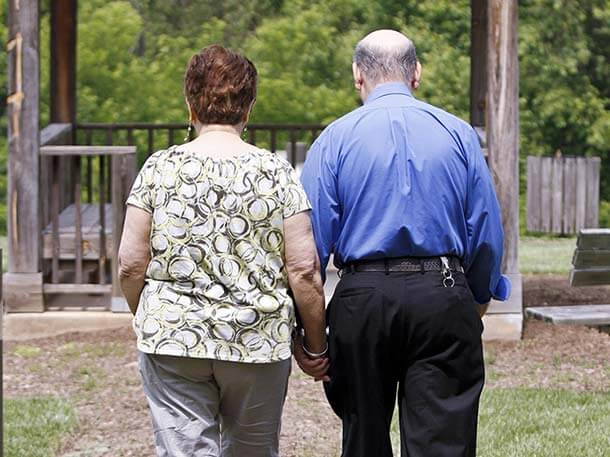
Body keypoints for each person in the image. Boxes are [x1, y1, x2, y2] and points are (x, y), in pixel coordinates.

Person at [299, 30, 511, 457]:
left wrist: (311, 334)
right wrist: (478, 300)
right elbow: (486, 230)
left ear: (357, 75)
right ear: (417, 73)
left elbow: (309, 250)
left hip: (363, 297)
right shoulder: (459, 134)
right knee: (443, 444)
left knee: (363, 439)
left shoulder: (334, 140)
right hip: (442, 291)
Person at [118, 44, 328, 457]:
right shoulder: (276, 172)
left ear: (190, 104)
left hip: (174, 338)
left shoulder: (159, 168)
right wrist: (315, 343)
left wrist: (150, 311)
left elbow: (130, 262)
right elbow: (304, 269)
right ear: (248, 107)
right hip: (257, 338)